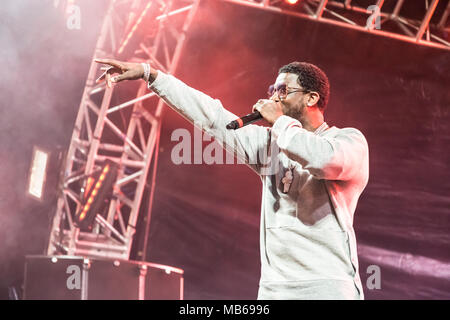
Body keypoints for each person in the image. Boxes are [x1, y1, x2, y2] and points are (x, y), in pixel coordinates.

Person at [95, 59, 369, 300]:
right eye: (272, 91)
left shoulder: (347, 141)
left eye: (283, 91)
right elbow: (212, 117)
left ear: (311, 98)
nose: (274, 98)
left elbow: (325, 161)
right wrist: (151, 75)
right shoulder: (269, 144)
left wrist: (281, 123)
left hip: (327, 288)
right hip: (275, 290)